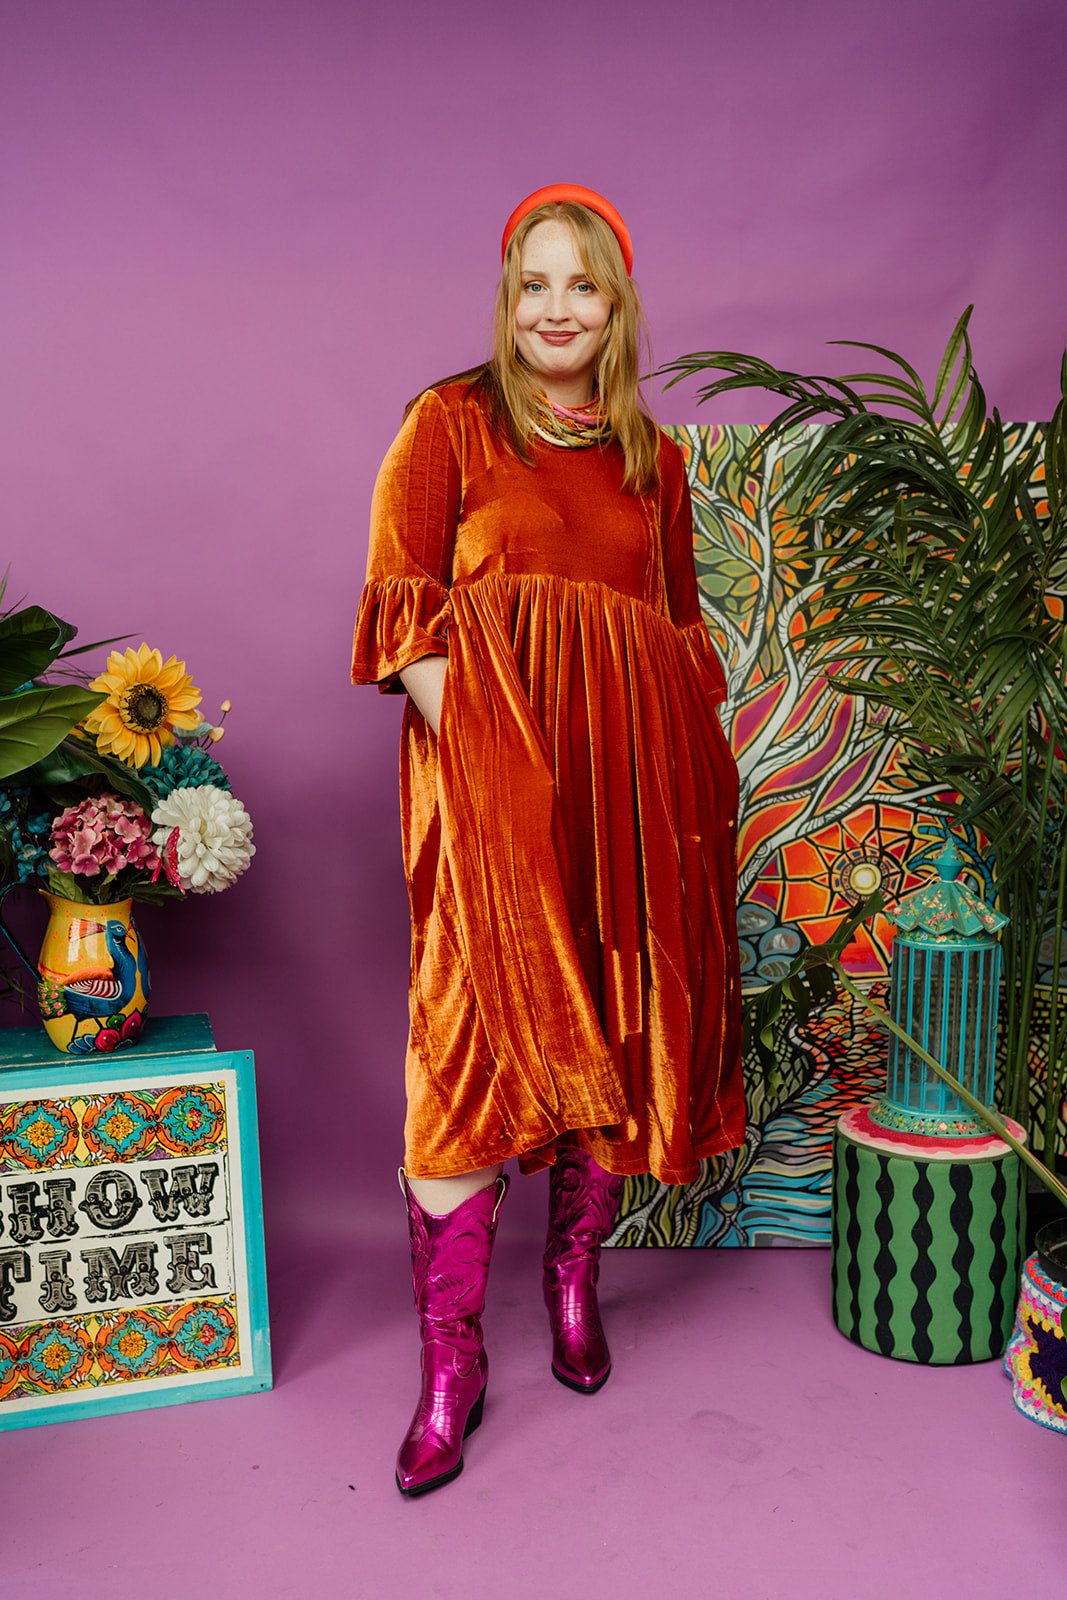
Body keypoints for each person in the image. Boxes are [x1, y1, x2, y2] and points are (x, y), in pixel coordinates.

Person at [351, 183, 744, 1496]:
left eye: (583, 286)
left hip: (630, 799)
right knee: (468, 1053)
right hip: (490, 787)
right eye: (536, 284)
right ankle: (451, 1364)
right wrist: (488, 767)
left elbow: (678, 645)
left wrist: (684, 811)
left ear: (616, 307)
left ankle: (574, 1278)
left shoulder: (653, 462)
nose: (557, 309)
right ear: (507, 299)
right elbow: (401, 605)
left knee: (609, 1029)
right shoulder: (449, 422)